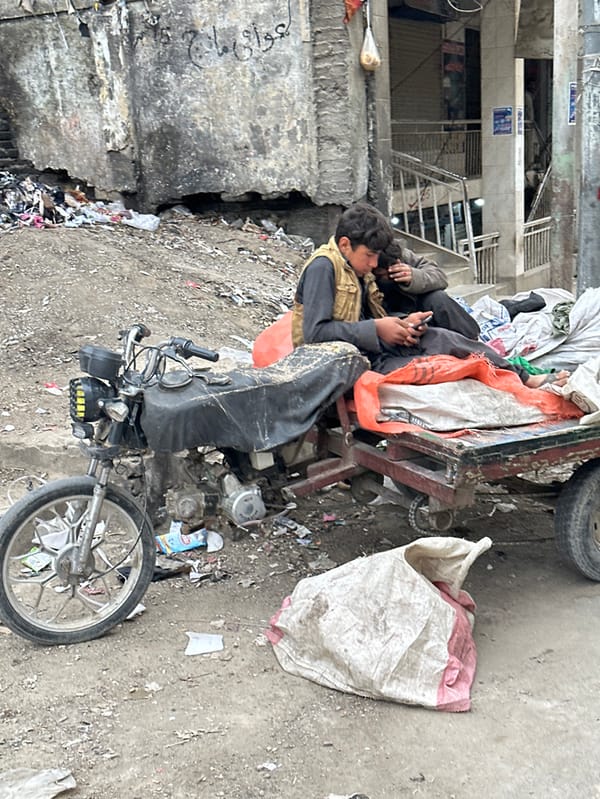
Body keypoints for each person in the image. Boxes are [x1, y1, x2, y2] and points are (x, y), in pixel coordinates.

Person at [292, 202, 568, 388]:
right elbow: (316, 333)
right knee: (445, 356)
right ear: (345, 244)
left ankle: (518, 376)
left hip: (370, 347)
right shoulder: (323, 267)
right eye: (370, 256)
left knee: (444, 336)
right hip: (349, 361)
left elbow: (369, 313)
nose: (375, 265)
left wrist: (402, 323)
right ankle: (519, 378)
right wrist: (377, 328)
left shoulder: (355, 265)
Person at [374, 239, 481, 340]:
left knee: (438, 298)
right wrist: (405, 319)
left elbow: (440, 277)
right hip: (391, 322)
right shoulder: (364, 272)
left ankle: (474, 341)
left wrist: (414, 277)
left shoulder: (398, 254)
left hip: (418, 308)